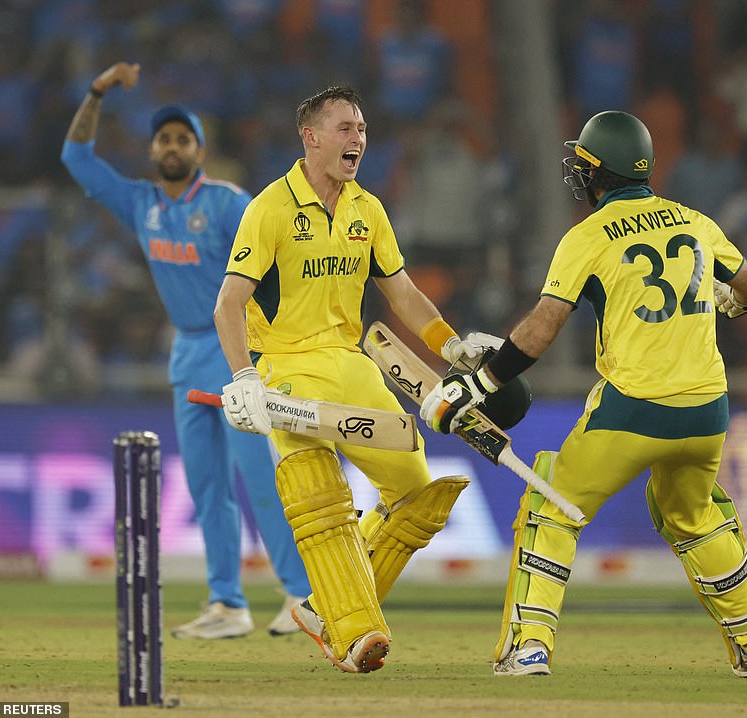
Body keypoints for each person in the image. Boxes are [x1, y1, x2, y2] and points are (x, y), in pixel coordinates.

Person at [421, 111, 747, 679]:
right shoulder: (694, 220)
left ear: (595, 171)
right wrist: (733, 303)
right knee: (693, 515)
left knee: (552, 504)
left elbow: (543, 327)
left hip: (636, 408)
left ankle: (529, 647)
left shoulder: (588, 236)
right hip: (707, 409)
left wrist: (481, 382)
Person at [212, 85, 479, 674]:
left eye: (360, 128)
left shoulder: (369, 210)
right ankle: (354, 633)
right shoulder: (270, 208)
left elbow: (403, 293)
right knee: (322, 502)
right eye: (344, 128)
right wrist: (244, 378)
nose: (357, 138)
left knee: (417, 497)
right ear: (310, 137)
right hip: (286, 370)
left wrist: (450, 346)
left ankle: (321, 608)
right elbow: (228, 305)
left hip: (351, 364)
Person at [61, 61, 313, 639]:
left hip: (238, 354)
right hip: (186, 353)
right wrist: (97, 91)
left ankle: (301, 597)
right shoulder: (140, 202)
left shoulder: (228, 204)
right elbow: (76, 159)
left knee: (259, 479)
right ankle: (228, 604)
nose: (172, 146)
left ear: (199, 151)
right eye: (164, 137)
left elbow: (277, 266)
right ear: (152, 148)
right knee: (206, 487)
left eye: (183, 138)